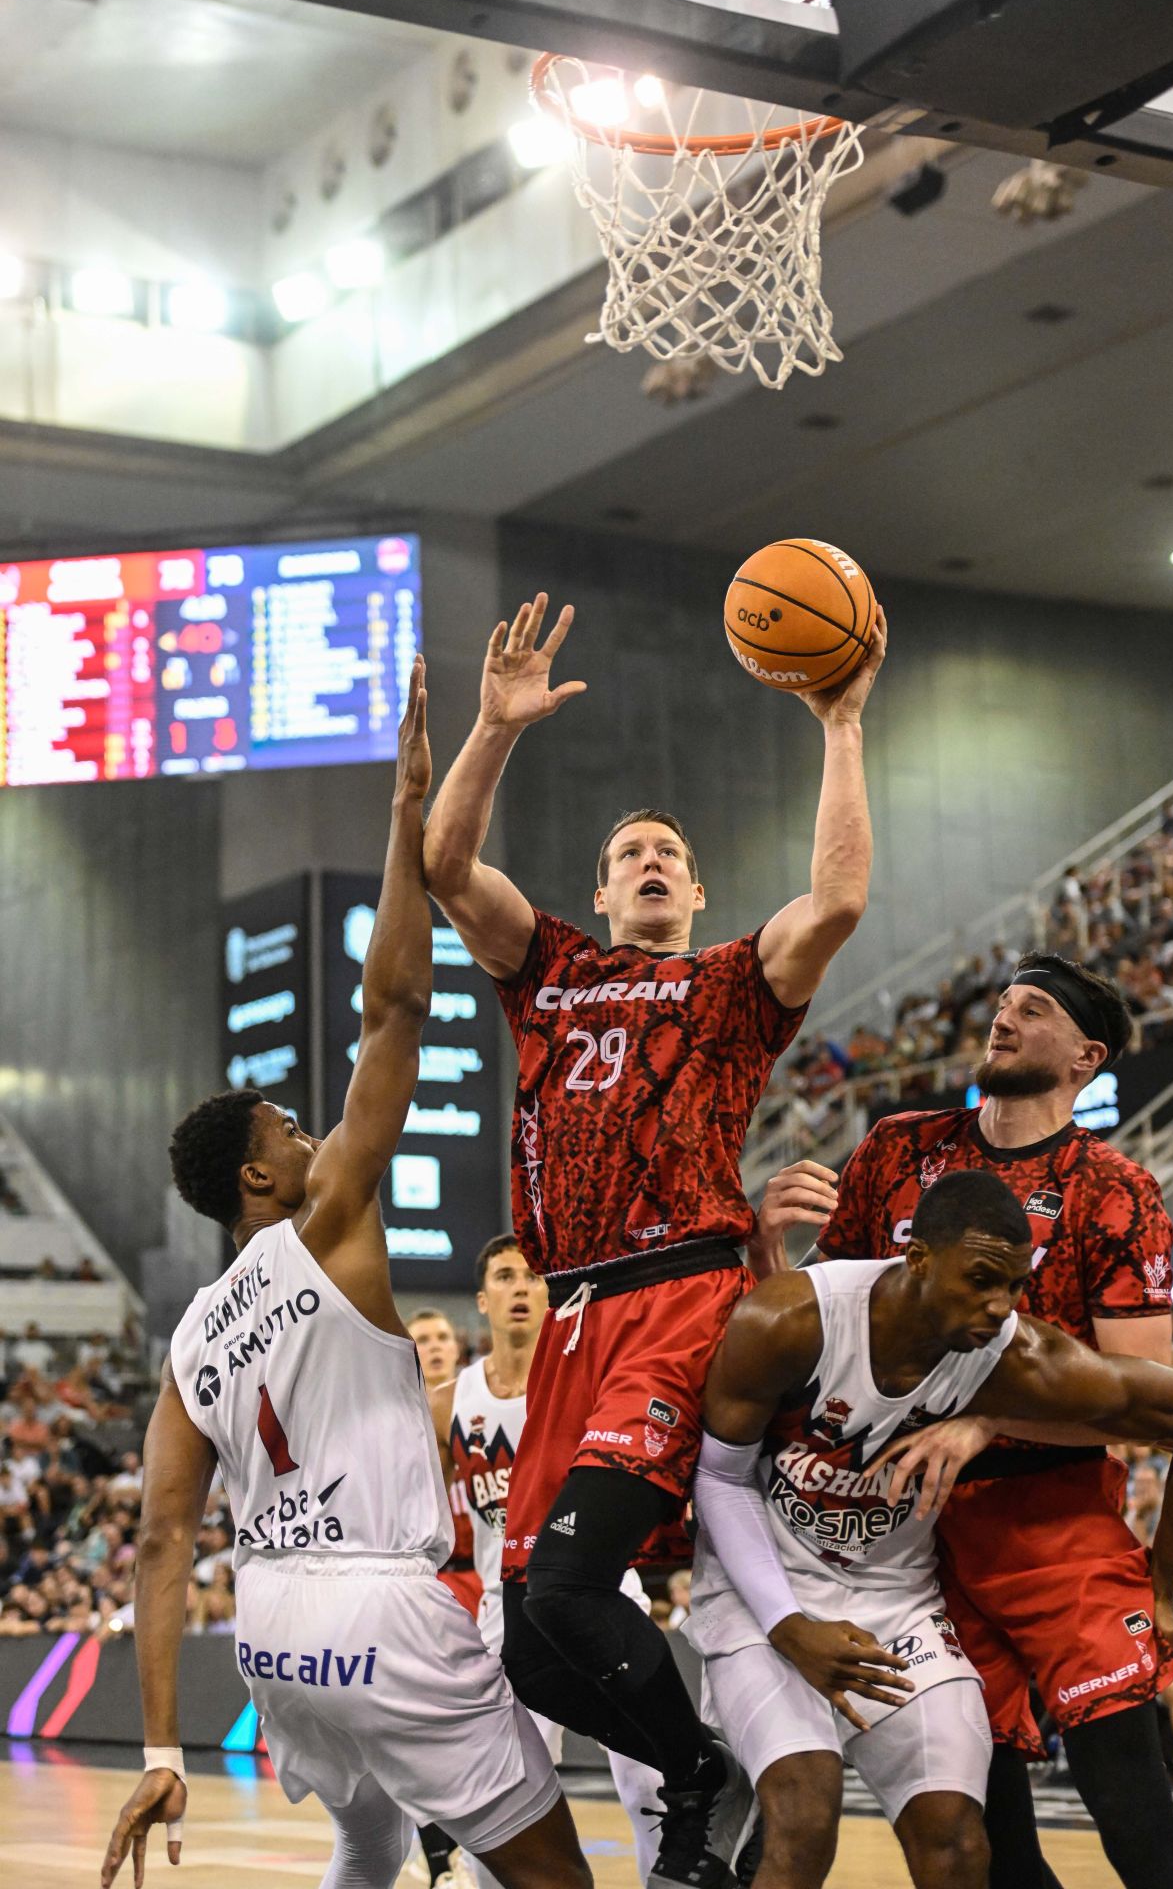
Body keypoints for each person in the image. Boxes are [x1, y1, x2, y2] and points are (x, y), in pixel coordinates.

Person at [421, 588, 887, 1889]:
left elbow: (837, 899)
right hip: (574, 1308)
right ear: (599, 885)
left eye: (669, 854)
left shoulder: (732, 986)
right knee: (527, 1639)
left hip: (683, 1298)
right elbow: (446, 869)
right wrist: (495, 729)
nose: (650, 861)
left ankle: (694, 1783)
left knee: (570, 1594)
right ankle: (692, 1773)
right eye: (630, 852)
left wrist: (841, 726)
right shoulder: (553, 972)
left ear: (693, 889)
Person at [100, 661, 590, 1889]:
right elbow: (395, 1010)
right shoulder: (321, 1224)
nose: (314, 1138)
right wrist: (403, 819)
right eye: (290, 1133)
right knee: (550, 1872)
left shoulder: (195, 1333)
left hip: (269, 1628)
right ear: (261, 1183)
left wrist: (162, 1743)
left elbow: (164, 1540)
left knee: (368, 1842)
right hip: (378, 1601)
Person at [764, 949, 1173, 1889]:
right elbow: (823, 1324)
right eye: (1002, 1003)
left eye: (1033, 1010)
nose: (1002, 1018)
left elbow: (1145, 1399)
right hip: (912, 1541)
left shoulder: (1115, 1187)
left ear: (1084, 1057)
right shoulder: (897, 1147)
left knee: (1137, 1828)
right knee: (995, 1847)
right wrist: (765, 1247)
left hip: (1056, 1521)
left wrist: (980, 1421)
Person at [692, 1171, 1173, 1889]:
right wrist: (788, 1625)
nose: (999, 1305)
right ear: (917, 1258)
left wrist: (1161, 1581)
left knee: (959, 1843)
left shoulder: (1010, 1354)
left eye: (1014, 1285)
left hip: (896, 1599)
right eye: (982, 1279)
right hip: (767, 1592)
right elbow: (721, 1480)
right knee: (803, 1816)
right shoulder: (794, 1317)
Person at [425, 1233, 663, 1889]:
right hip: (509, 1611)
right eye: (505, 1276)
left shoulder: (589, 1384)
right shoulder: (449, 1402)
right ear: (483, 1300)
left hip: (604, 1590)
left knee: (650, 1785)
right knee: (505, 1800)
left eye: (533, 1276)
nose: (522, 1288)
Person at [409, 1308, 483, 1620]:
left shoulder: (486, 1409)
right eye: (423, 1340)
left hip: (486, 1573)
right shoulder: (393, 1423)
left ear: (456, 1348)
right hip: (424, 1577)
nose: (435, 1346)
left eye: (442, 1338)